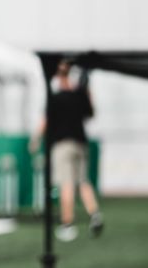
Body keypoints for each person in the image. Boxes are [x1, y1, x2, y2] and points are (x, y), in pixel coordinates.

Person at [36, 60, 103, 241]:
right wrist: (87, 93)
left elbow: (46, 121)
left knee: (66, 184)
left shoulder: (56, 97)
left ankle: (67, 224)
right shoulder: (79, 95)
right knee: (83, 181)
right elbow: (91, 113)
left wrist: (35, 139)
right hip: (80, 143)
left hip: (63, 145)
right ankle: (94, 214)